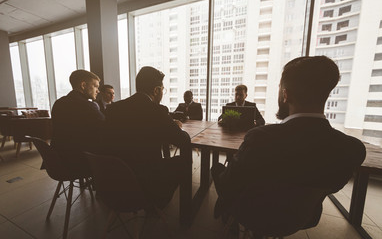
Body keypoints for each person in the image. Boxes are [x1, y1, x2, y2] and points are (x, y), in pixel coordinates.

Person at [211, 56, 366, 226]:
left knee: (217, 169)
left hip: (251, 213)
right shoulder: (352, 149)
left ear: (286, 95)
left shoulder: (260, 138)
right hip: (303, 217)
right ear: (326, 94)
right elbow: (331, 186)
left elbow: (228, 185)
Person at [104, 66, 191, 209]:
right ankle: (178, 209)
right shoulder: (157, 110)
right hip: (147, 183)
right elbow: (183, 140)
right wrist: (176, 127)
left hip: (114, 182)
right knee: (183, 161)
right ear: (156, 90)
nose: (162, 92)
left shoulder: (113, 109)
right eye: (163, 89)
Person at [51, 70, 105, 172]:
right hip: (79, 162)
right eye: (96, 86)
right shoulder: (88, 107)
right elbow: (106, 127)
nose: (98, 91)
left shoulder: (59, 103)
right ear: (83, 85)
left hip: (58, 160)